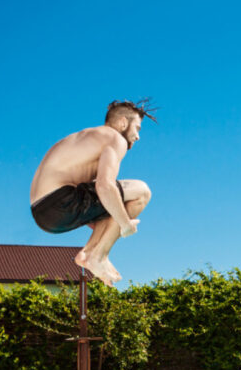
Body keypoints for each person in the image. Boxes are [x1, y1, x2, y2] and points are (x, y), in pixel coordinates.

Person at [30, 100, 156, 286]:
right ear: (123, 123)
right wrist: (125, 224)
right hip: (61, 200)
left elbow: (99, 201)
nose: (137, 136)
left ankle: (90, 255)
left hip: (42, 213)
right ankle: (96, 255)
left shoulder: (85, 139)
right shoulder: (114, 138)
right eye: (137, 128)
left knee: (114, 205)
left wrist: (113, 223)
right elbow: (105, 186)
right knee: (141, 191)